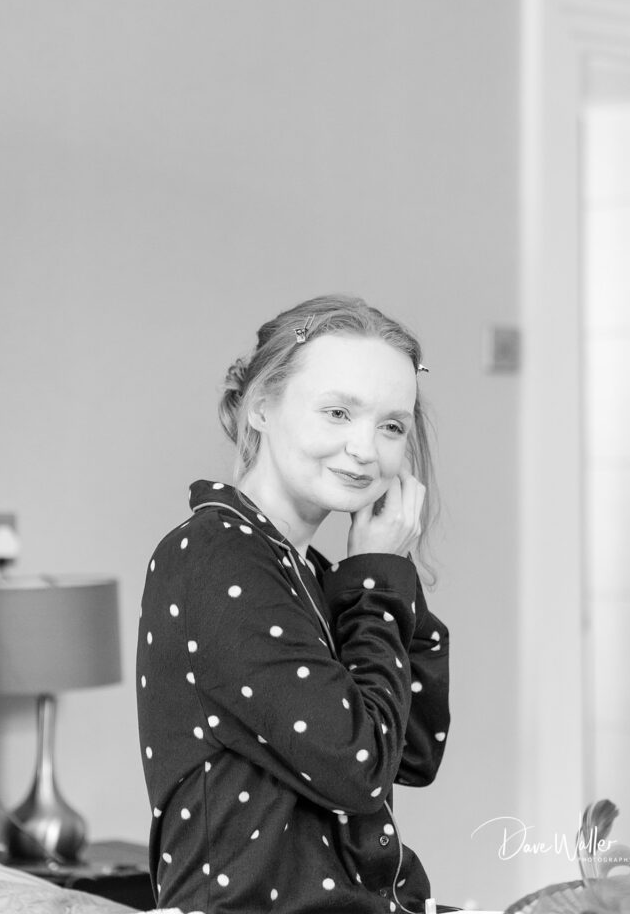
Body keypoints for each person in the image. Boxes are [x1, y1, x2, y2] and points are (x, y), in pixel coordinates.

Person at [136, 294, 451, 914]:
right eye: (337, 412)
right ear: (260, 408)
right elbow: (359, 767)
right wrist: (374, 580)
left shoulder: (307, 571)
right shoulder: (216, 553)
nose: (365, 448)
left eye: (392, 426)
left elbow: (413, 749)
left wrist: (385, 572)